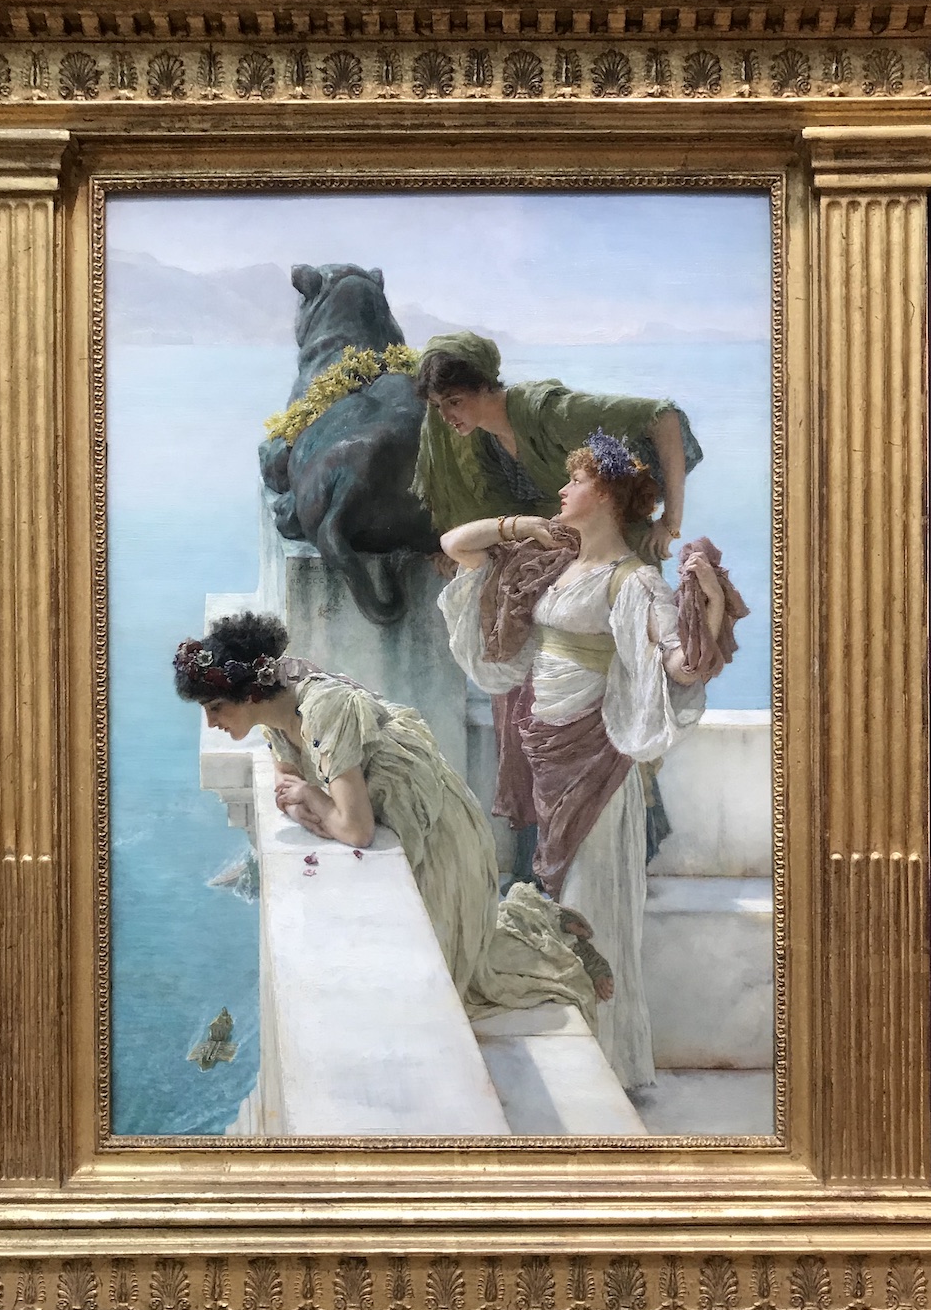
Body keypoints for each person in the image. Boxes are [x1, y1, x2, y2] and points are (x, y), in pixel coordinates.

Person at [437, 433, 732, 1090]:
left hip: (596, 760)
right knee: (557, 902)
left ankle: (608, 1064)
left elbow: (681, 667)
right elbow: (458, 545)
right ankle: (579, 1056)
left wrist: (708, 603)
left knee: (590, 900)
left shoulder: (636, 581)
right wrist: (521, 526)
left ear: (604, 495)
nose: (562, 491)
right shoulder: (558, 557)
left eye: (575, 482)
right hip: (545, 752)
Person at [173, 612, 616, 1035]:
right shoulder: (275, 716)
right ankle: (544, 923)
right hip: (409, 825)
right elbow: (285, 786)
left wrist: (314, 799)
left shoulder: (322, 708)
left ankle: (555, 935)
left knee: (459, 985)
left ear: (250, 693)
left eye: (216, 707)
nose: (211, 722)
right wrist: (309, 803)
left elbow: (355, 829)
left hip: (440, 834)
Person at [413, 330, 704, 562]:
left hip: (618, 555)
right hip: (559, 558)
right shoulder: (484, 441)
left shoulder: (548, 413)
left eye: (455, 402)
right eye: (438, 405)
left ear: (484, 386)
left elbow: (662, 417)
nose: (446, 416)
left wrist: (671, 522)